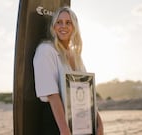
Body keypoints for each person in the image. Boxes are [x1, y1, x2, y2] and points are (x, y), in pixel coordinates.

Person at [33, 6, 103, 135]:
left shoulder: (76, 56)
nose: (63, 26)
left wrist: (99, 123)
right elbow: (52, 95)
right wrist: (64, 130)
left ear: (74, 27)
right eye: (59, 22)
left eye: (68, 22)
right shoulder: (46, 50)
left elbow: (88, 94)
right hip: (56, 120)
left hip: (80, 119)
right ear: (53, 27)